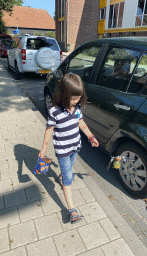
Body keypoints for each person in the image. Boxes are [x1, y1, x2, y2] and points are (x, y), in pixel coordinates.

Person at [39, 73, 99, 224]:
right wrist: (44, 148)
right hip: (63, 151)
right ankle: (72, 210)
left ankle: (60, 177)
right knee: (68, 177)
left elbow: (82, 124)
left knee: (69, 168)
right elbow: (49, 130)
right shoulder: (55, 112)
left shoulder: (77, 108)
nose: (75, 101)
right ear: (63, 94)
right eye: (72, 98)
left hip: (75, 147)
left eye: (78, 98)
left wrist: (91, 137)